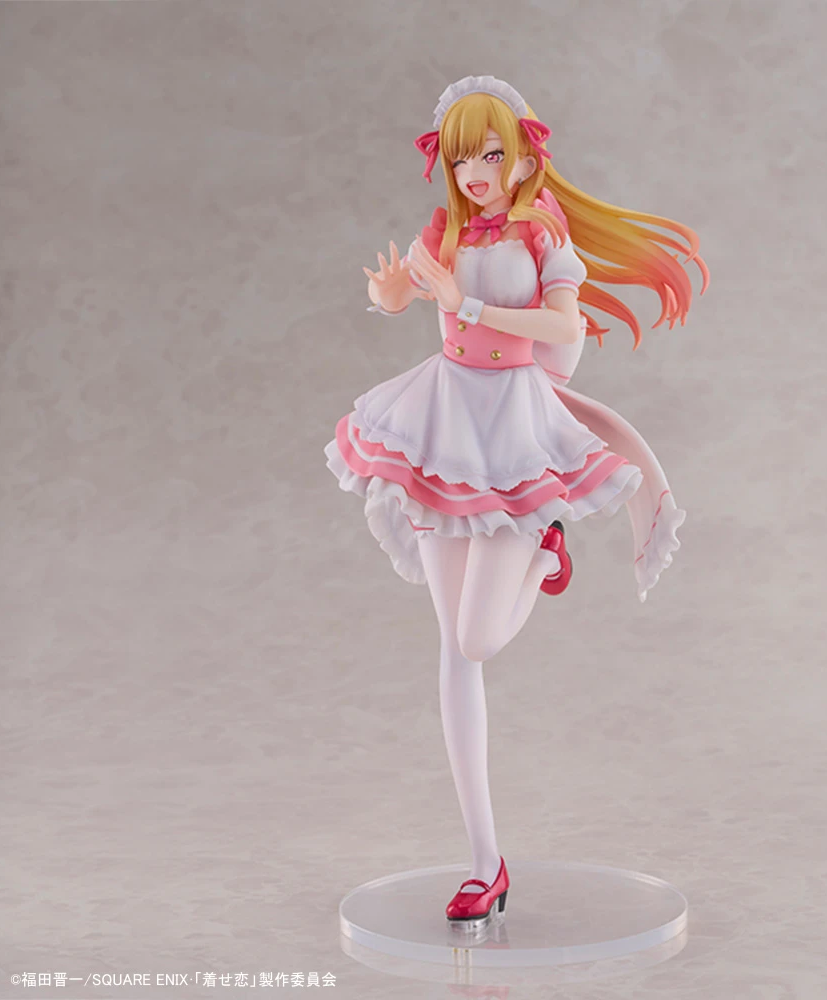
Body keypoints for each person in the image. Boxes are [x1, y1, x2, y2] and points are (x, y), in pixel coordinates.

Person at [324, 74, 708, 928]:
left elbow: (563, 328)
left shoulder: (540, 231)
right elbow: (412, 294)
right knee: (452, 650)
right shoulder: (445, 230)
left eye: (491, 156)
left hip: (511, 432)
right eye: (463, 159)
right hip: (442, 424)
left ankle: (544, 553)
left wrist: (468, 303)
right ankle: (484, 862)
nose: (476, 174)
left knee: (478, 636)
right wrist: (392, 295)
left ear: (525, 156)